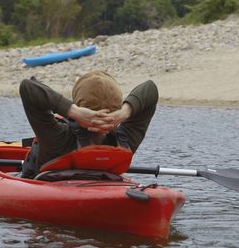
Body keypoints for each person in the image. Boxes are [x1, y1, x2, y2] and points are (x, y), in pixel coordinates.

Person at [18, 71, 158, 177]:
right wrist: (125, 112)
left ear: (78, 105)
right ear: (118, 106)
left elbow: (27, 87)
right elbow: (150, 88)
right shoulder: (126, 139)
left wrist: (73, 112)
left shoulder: (57, 138)